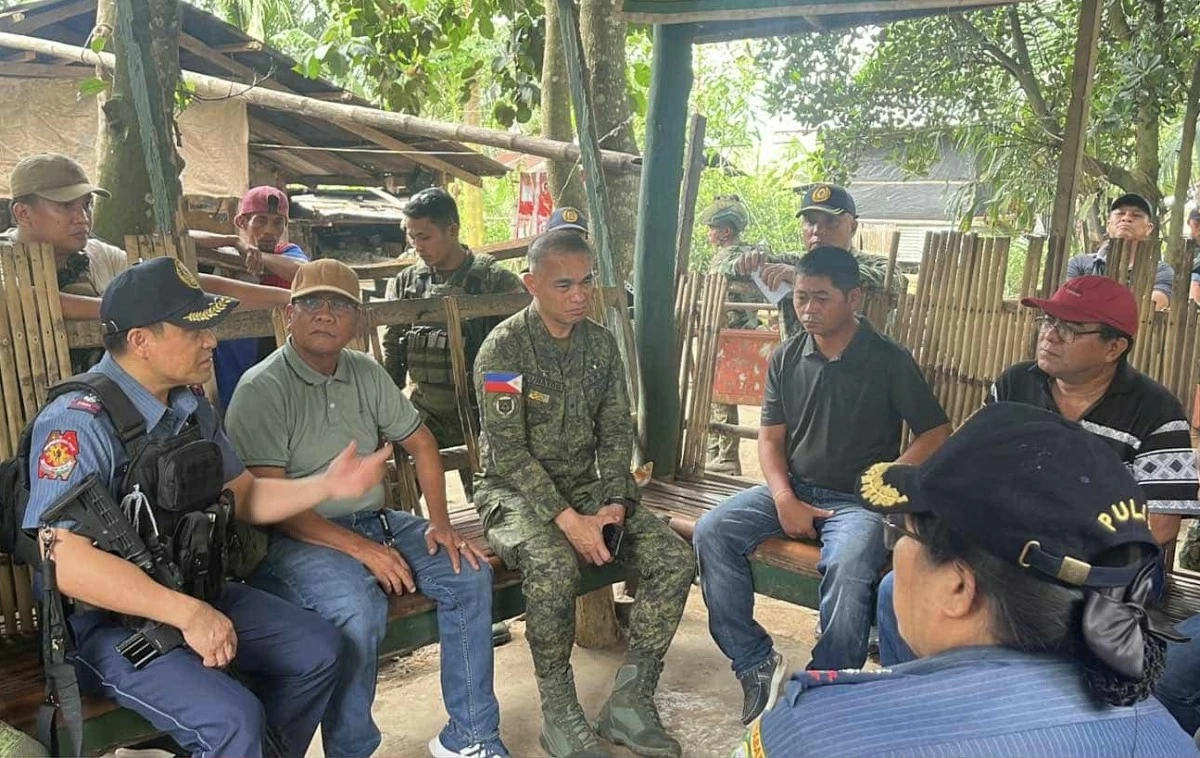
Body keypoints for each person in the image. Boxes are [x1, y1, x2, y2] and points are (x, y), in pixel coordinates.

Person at [21, 257, 400, 756]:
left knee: (319, 650)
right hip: (106, 624)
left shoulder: (189, 408)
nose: (212, 340)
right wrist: (187, 613)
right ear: (141, 340)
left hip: (191, 588)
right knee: (232, 719)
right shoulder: (77, 422)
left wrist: (326, 485)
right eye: (193, 328)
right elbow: (63, 559)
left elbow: (246, 495)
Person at [741, 402, 1197, 757]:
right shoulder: (1165, 736)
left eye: (898, 532)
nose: (895, 552)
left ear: (959, 588)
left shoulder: (817, 735)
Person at [224, 259, 505, 758]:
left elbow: (421, 444)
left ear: (358, 319)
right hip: (290, 540)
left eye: (340, 304)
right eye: (312, 302)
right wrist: (363, 552)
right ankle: (351, 750)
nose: (326, 314)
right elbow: (269, 504)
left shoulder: (365, 372)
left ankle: (471, 737)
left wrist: (440, 524)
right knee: (356, 607)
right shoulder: (261, 389)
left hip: (375, 523)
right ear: (289, 315)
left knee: (468, 572)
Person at [876, 276, 1198, 666]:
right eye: (1048, 321)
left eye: (1070, 328)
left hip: (1103, 573)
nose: (1050, 335)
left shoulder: (1156, 411)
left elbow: (1161, 525)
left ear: (1114, 347)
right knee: (898, 588)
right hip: (1008, 555)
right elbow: (978, 468)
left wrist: (1059, 552)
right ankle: (917, 698)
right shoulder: (1016, 384)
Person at [692, 246, 951, 725]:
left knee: (851, 566)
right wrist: (785, 497)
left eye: (821, 299)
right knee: (711, 530)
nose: (807, 309)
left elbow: (935, 433)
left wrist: (889, 478)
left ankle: (829, 683)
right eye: (801, 298)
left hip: (856, 504)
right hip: (794, 489)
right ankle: (754, 662)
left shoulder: (889, 360)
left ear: (853, 298)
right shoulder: (788, 356)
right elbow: (769, 439)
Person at [474, 229, 695, 758]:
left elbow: (617, 430)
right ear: (531, 284)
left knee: (673, 557)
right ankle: (558, 709)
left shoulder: (599, 342)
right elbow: (508, 453)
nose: (579, 294)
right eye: (564, 284)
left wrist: (615, 502)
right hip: (514, 492)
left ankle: (631, 699)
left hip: (589, 487)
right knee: (552, 563)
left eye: (587, 282)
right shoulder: (502, 349)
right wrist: (567, 518)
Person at [3, 154, 294, 325]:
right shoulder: (4, 259)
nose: (82, 217)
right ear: (23, 213)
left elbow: (177, 281)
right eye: (66, 206)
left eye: (86, 205)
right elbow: (26, 300)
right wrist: (131, 306)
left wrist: (293, 298)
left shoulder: (99, 255)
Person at [382, 188, 524, 494]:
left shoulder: (495, 281)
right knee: (396, 489)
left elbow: (521, 351)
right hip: (426, 408)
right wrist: (387, 402)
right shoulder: (407, 282)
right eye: (411, 236)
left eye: (425, 236)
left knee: (492, 499)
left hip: (479, 411)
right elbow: (393, 346)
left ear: (452, 230)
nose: (416, 246)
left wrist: (502, 414)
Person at [191, 186, 311, 408]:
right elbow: (184, 237)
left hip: (270, 359)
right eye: (261, 220)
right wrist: (234, 242)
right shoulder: (226, 255)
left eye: (277, 222)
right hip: (224, 361)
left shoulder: (287, 253)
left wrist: (260, 257)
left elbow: (304, 272)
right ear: (241, 223)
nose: (269, 230)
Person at [700, 195, 771, 476]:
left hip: (729, 334)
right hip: (735, 332)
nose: (709, 233)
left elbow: (730, 269)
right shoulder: (745, 254)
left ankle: (726, 455)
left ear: (725, 232)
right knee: (718, 395)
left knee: (721, 393)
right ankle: (717, 451)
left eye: (712, 228)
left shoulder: (732, 257)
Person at [1065, 193, 1173, 311]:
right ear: (1108, 225)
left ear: (1149, 228)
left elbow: (1152, 305)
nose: (1126, 218)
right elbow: (1068, 301)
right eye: (1120, 213)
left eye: (1136, 215)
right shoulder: (1079, 263)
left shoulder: (1160, 270)